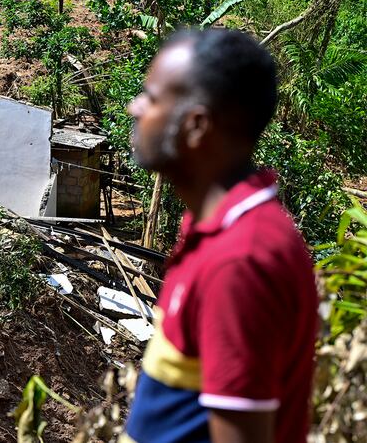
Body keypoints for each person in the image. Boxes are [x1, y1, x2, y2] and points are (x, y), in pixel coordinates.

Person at [121, 28, 318, 443]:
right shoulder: (214, 229)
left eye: (152, 97)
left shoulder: (240, 260)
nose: (133, 107)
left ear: (196, 126)